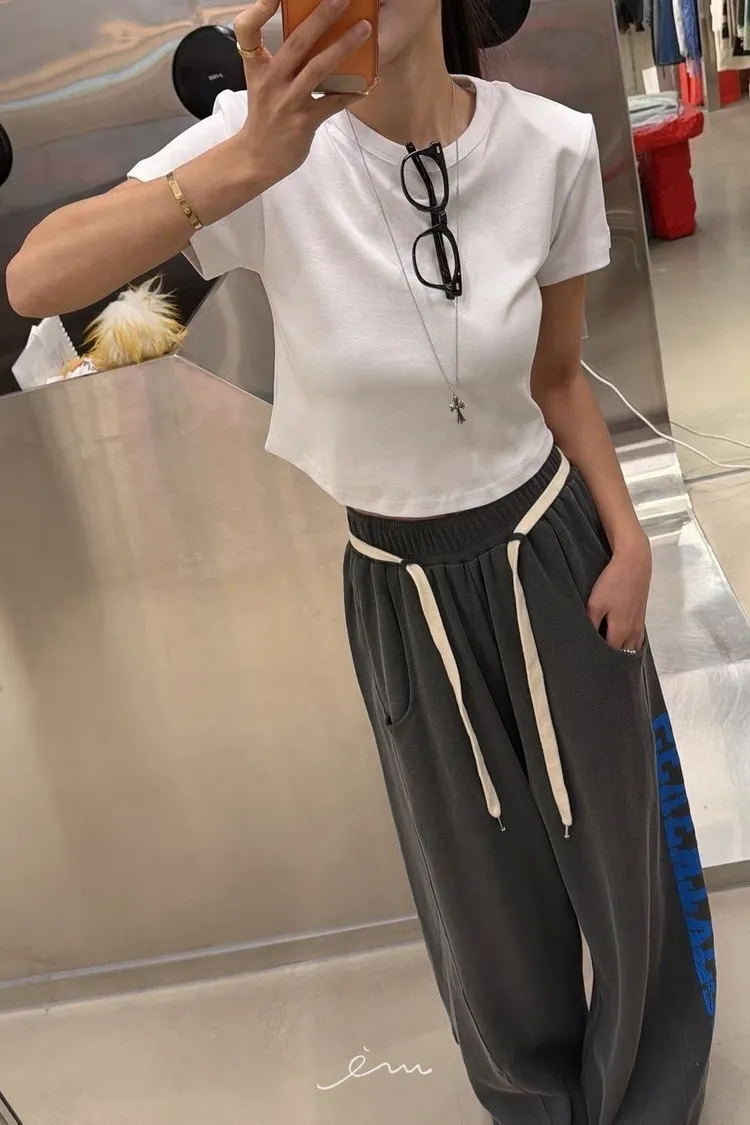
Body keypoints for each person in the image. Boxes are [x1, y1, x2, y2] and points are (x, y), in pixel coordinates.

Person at [6, 1, 716, 1121]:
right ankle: (535, 1103)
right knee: (477, 888)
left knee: (624, 849)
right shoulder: (264, 149)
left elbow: (558, 377)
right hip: (398, 583)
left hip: (554, 549)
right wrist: (248, 162)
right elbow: (38, 284)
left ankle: (649, 1093)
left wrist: (628, 540)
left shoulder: (547, 145)